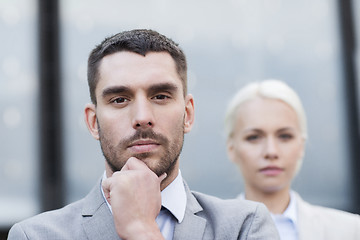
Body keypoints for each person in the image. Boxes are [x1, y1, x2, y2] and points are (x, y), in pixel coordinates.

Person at [8, 29, 280, 240]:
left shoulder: (244, 227)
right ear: (93, 122)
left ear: (188, 114)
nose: (141, 117)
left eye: (160, 96)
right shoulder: (37, 236)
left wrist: (141, 229)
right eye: (119, 99)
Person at [224, 79, 360, 240]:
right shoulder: (207, 233)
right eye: (254, 137)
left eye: (285, 136)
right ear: (231, 148)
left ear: (301, 146)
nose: (271, 151)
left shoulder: (350, 231)